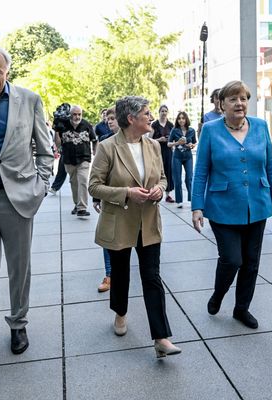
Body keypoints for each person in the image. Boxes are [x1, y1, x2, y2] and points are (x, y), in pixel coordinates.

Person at [0, 46, 54, 387]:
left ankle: (18, 324)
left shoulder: (29, 100)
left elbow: (45, 149)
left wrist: (41, 185)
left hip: (19, 198)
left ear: (7, 70)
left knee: (20, 268)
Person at [88, 96, 181, 358]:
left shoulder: (152, 145)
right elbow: (93, 186)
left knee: (152, 276)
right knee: (120, 273)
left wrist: (159, 191)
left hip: (149, 221)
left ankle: (161, 337)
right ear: (131, 119)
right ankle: (120, 312)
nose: (150, 117)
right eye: (146, 114)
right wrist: (126, 192)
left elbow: (162, 179)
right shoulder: (107, 148)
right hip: (120, 220)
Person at [192, 80, 272, 329]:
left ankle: (241, 308)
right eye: (233, 99)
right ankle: (218, 294)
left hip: (258, 204)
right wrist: (196, 206)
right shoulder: (210, 130)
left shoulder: (260, 126)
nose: (239, 103)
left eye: (243, 98)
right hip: (222, 206)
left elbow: (269, 166)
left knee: (251, 262)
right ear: (222, 104)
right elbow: (201, 171)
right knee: (232, 259)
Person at [93, 107, 119, 293]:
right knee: (107, 237)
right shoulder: (104, 142)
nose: (109, 122)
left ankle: (120, 272)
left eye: (113, 118)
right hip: (110, 197)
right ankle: (109, 275)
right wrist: (96, 197)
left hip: (132, 201)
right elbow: (97, 175)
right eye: (108, 119)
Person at [56, 105, 97, 216]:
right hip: (69, 159)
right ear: (70, 114)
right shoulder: (63, 125)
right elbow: (58, 144)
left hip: (84, 158)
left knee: (83, 181)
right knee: (74, 183)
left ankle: (82, 208)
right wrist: (56, 130)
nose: (77, 116)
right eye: (74, 114)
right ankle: (77, 204)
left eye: (79, 114)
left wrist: (95, 151)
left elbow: (94, 139)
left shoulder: (86, 124)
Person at [168, 111, 197, 208]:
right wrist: (177, 143)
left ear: (186, 119)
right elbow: (169, 144)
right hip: (177, 156)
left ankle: (192, 199)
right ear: (177, 120)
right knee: (177, 179)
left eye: (183, 118)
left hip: (188, 156)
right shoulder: (174, 130)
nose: (181, 120)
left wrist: (191, 145)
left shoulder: (192, 131)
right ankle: (179, 200)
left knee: (189, 177)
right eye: (179, 118)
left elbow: (194, 143)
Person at [150, 105, 175, 203]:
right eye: (162, 111)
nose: (164, 113)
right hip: (157, 150)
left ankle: (168, 195)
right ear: (159, 112)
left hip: (168, 151)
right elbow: (149, 139)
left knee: (168, 171)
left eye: (165, 111)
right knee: (157, 172)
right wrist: (159, 139)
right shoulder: (154, 125)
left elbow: (174, 138)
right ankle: (156, 193)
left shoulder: (170, 125)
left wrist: (170, 140)